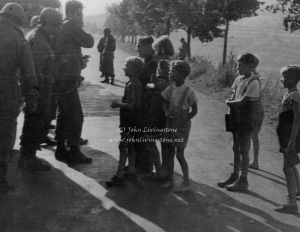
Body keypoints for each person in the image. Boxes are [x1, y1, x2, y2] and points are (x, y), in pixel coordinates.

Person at [19, 8, 63, 172]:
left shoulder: (39, 36)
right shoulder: (39, 41)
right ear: (45, 24)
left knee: (35, 122)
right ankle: (28, 157)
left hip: (41, 88)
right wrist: (34, 94)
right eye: (56, 25)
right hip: (39, 89)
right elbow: (34, 71)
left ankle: (28, 155)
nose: (58, 29)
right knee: (36, 122)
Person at [0, 3, 38, 192]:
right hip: (6, 92)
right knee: (6, 133)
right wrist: (30, 94)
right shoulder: (17, 38)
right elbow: (28, 71)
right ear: (19, 20)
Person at [54, 0, 94, 164]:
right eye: (79, 14)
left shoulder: (64, 27)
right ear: (70, 14)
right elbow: (89, 41)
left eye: (82, 14)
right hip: (66, 80)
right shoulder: (70, 26)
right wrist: (81, 25)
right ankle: (74, 150)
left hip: (62, 78)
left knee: (64, 114)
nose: (81, 17)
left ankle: (61, 148)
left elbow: (67, 51)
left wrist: (78, 60)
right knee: (76, 116)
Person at [218, 53, 264, 192]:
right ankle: (234, 175)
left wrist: (228, 102)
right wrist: (231, 101)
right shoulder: (239, 79)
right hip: (236, 117)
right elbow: (233, 94)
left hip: (247, 119)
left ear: (251, 67)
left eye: (240, 65)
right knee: (235, 148)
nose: (237, 67)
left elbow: (242, 101)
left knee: (244, 150)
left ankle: (243, 180)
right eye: (237, 65)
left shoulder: (254, 82)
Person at [106, 56, 144, 187]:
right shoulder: (135, 83)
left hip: (129, 120)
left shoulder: (132, 85)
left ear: (133, 70)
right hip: (134, 120)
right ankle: (131, 169)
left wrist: (118, 104)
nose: (124, 68)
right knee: (130, 145)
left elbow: (132, 104)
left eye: (127, 67)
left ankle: (119, 175)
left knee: (123, 146)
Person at [160, 60, 198, 192]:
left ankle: (186, 181)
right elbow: (164, 103)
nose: (171, 74)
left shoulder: (189, 91)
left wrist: (185, 118)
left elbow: (194, 110)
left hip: (182, 127)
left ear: (182, 74)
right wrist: (166, 112)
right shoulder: (170, 88)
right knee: (169, 153)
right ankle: (169, 179)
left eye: (174, 72)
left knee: (179, 154)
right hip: (170, 123)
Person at [275, 65, 300, 214]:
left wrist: (291, 140)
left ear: (292, 79)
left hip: (289, 136)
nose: (282, 80)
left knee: (287, 167)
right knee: (291, 163)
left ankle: (291, 203)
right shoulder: (290, 94)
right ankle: (298, 190)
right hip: (286, 134)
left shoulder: (295, 95)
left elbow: (297, 118)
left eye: (284, 77)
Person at [135, 36, 160, 174]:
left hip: (148, 104)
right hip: (144, 102)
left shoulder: (153, 63)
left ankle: (146, 165)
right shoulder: (147, 61)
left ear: (147, 46)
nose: (137, 48)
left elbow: (153, 84)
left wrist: (144, 86)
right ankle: (141, 163)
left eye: (139, 46)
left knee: (145, 134)